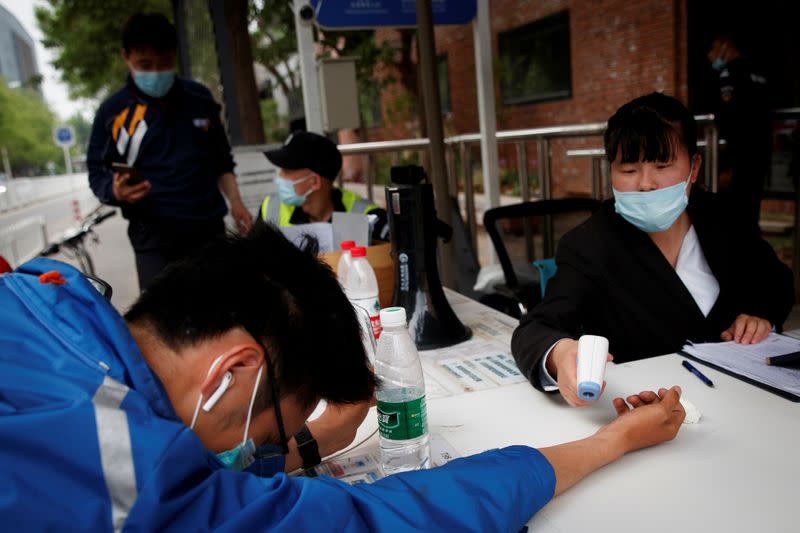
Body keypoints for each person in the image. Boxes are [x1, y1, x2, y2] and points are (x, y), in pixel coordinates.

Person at [0, 223, 685, 531]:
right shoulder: (132, 473)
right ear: (233, 370)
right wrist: (611, 442)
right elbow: (379, 519)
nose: (257, 453)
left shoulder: (43, 299)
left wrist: (305, 446)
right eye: (270, 434)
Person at [512, 92, 793, 407]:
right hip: (646, 413)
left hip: (747, 402)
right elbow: (537, 328)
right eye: (629, 169)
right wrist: (559, 353)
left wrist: (760, 316)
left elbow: (777, 284)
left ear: (694, 166)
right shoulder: (589, 245)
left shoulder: (725, 219)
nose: (646, 183)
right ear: (611, 171)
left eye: (662, 165)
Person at [87, 13, 252, 291]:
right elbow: (96, 172)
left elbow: (222, 161)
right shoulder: (113, 112)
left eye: (164, 64)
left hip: (207, 230)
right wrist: (116, 192)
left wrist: (236, 203)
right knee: (162, 323)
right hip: (153, 238)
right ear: (126, 57)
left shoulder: (199, 99)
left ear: (175, 55)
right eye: (145, 64)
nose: (155, 73)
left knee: (219, 314)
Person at [256, 131, 390, 242]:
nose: (279, 177)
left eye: (287, 171)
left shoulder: (367, 217)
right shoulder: (270, 208)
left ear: (314, 182)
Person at [706, 33, 772, 227]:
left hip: (739, 156)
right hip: (760, 152)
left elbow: (728, 118)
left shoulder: (728, 74)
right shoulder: (758, 72)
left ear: (723, 46)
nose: (711, 58)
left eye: (712, 51)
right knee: (752, 210)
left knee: (735, 213)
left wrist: (727, 164)